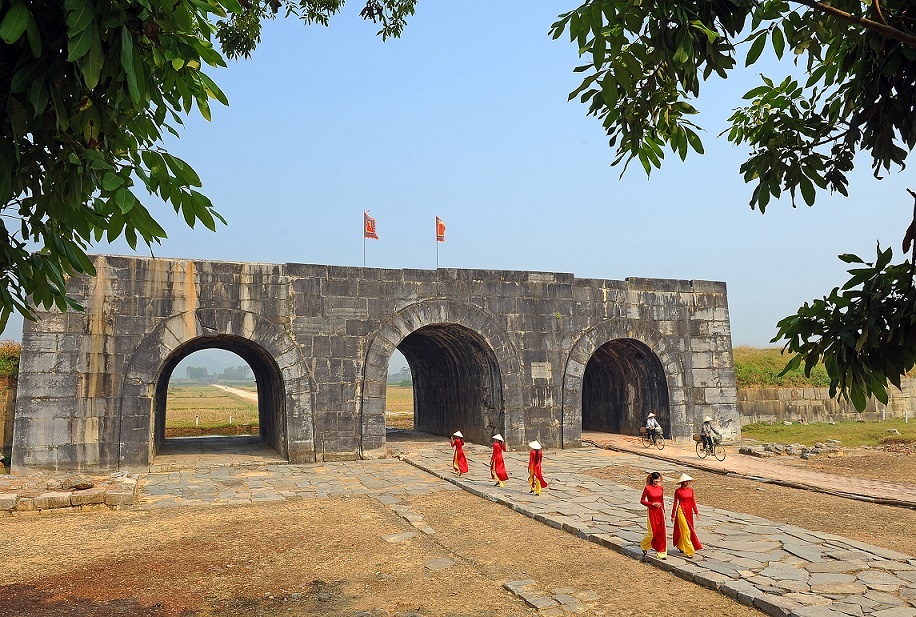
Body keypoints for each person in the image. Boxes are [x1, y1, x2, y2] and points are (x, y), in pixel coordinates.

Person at [671, 473, 702, 558]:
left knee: (688, 529)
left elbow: (693, 502)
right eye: (686, 481)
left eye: (689, 481)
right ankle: (689, 550)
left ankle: (680, 546)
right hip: (681, 510)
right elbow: (675, 503)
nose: (688, 482)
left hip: (689, 511)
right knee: (686, 530)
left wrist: (696, 512)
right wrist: (673, 515)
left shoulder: (691, 490)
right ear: (682, 482)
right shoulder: (678, 491)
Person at [639, 471, 667, 559]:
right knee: (652, 532)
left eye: (658, 479)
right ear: (652, 479)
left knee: (661, 532)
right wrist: (652, 504)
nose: (657, 481)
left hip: (660, 511)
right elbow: (642, 501)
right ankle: (644, 545)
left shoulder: (661, 488)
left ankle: (661, 551)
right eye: (655, 479)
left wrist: (664, 512)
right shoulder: (647, 488)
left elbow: (662, 501)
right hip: (651, 511)